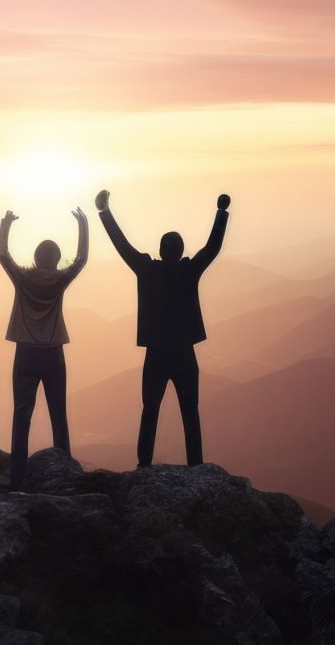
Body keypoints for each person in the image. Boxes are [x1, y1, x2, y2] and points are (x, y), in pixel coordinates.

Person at [95, 189, 231, 468]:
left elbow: (122, 245)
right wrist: (221, 212)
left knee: (150, 410)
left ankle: (143, 465)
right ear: (180, 251)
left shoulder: (146, 270)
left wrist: (104, 212)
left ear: (160, 250)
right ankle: (196, 466)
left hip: (156, 353)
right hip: (184, 352)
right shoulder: (188, 271)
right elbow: (212, 248)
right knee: (190, 411)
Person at [0, 206, 89, 490]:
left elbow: (2, 255)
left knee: (21, 414)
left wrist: (6, 224)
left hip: (25, 352)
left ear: (36, 258)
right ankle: (66, 473)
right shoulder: (60, 280)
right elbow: (82, 259)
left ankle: (17, 478)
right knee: (58, 413)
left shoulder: (23, 279)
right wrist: (84, 226)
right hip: (52, 353)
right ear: (56, 260)